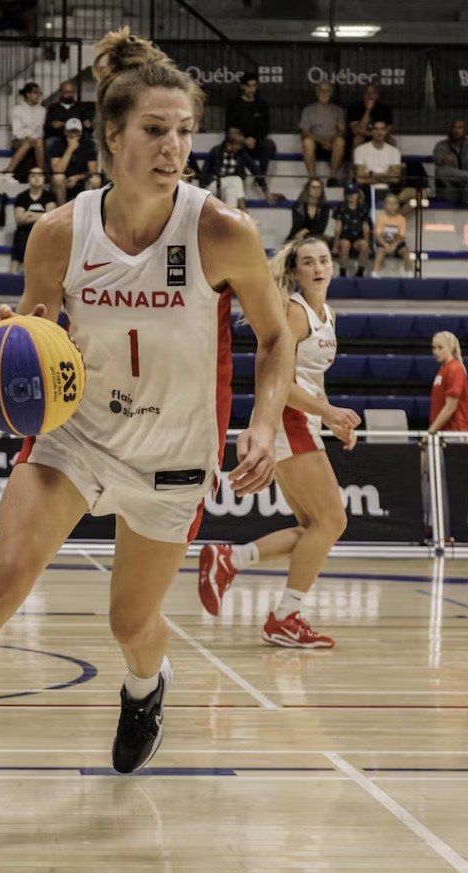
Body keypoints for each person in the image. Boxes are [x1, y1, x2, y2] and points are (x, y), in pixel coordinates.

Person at [0, 27, 294, 840]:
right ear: (112, 136)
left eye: (185, 130)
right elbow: (40, 338)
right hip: (76, 437)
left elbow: (276, 335)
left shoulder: (221, 230)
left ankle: (146, 686)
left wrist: (262, 422)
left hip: (173, 455)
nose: (174, 145)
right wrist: (11, 351)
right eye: (156, 129)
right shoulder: (58, 233)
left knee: (130, 624)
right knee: (5, 575)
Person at [197, 237, 359, 647]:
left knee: (313, 529)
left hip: (306, 421)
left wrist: (332, 417)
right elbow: (280, 383)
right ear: (296, 272)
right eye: (309, 262)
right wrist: (328, 413)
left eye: (324, 259)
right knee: (333, 521)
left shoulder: (328, 314)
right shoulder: (295, 312)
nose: (319, 267)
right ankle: (284, 616)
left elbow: (310, 382)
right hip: (288, 420)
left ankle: (229, 560)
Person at [224, 72, 276, 191]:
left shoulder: (261, 104)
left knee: (270, 146)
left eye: (254, 86)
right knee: (237, 149)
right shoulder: (234, 104)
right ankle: (246, 180)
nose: (252, 89)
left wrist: (254, 139)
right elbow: (230, 128)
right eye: (249, 86)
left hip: (256, 141)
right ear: (243, 86)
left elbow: (265, 127)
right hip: (240, 141)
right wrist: (244, 140)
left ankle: (259, 177)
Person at [354, 119, 415, 210]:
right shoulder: (360, 150)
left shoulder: (394, 151)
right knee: (356, 193)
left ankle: (399, 217)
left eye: (382, 129)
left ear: (386, 131)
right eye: (376, 129)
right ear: (371, 131)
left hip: (390, 190)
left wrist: (372, 174)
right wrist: (386, 176)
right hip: (367, 190)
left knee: (420, 195)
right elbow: (360, 179)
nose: (379, 132)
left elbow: (395, 178)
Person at [299, 81, 346, 187]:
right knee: (307, 142)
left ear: (331, 93)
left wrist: (332, 139)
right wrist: (322, 141)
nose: (324, 93)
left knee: (340, 141)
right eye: (321, 90)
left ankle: (333, 177)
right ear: (317, 92)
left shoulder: (338, 110)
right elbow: (305, 132)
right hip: (316, 143)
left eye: (327, 90)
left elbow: (342, 131)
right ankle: (313, 178)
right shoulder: (308, 110)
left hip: (332, 143)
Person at [9, 167, 55, 273]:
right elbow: (19, 220)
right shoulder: (22, 197)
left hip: (43, 231)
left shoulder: (49, 196)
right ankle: (12, 276)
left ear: (44, 178)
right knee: (20, 235)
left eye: (39, 175)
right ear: (29, 179)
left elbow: (50, 217)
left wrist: (29, 214)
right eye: (33, 176)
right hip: (24, 232)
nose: (36, 178)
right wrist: (41, 216)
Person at [428, 331, 468, 440]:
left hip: (455, 432)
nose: (436, 352)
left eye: (440, 347)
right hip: (442, 431)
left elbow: (450, 407)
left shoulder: (455, 369)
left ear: (451, 348)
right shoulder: (443, 370)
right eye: (434, 348)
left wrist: (431, 431)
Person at [2, 82, 46, 182]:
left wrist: (33, 137)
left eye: (39, 93)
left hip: (35, 139)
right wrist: (28, 136)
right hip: (19, 139)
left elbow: (40, 130)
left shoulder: (42, 110)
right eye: (35, 93)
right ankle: (10, 171)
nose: (38, 96)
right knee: (28, 142)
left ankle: (40, 172)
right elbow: (16, 131)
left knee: (38, 141)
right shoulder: (17, 109)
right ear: (28, 94)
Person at [48, 116, 98, 205]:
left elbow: (93, 171)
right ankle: (61, 211)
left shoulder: (88, 145)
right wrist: (70, 149)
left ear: (81, 132)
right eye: (71, 131)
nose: (74, 135)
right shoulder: (57, 144)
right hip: (63, 180)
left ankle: (90, 212)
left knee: (95, 180)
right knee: (58, 178)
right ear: (65, 132)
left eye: (76, 132)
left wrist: (77, 177)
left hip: (82, 179)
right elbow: (58, 170)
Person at [332, 183, 371, 277]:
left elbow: (365, 227)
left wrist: (368, 244)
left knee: (364, 245)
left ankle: (360, 272)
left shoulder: (363, 208)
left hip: (358, 237)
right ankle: (343, 273)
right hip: (344, 236)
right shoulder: (340, 207)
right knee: (345, 244)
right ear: (345, 195)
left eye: (354, 193)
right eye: (349, 193)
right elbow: (338, 227)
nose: (351, 196)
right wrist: (335, 245)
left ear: (358, 194)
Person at [372, 192, 412, 277]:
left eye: (394, 203)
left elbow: (401, 236)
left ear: (398, 205)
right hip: (383, 241)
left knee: (406, 252)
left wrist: (394, 245)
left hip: (397, 242)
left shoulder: (401, 219)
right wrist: (385, 245)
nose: (392, 206)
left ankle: (409, 275)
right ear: (385, 205)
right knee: (380, 253)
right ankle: (375, 274)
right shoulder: (381, 218)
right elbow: (378, 235)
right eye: (389, 203)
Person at [43, 79, 92, 146]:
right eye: (67, 92)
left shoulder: (80, 106)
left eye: (72, 92)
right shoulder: (53, 107)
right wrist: (52, 125)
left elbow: (88, 123)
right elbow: (47, 126)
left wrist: (88, 124)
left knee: (91, 143)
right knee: (50, 142)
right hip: (59, 137)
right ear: (61, 92)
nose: (70, 94)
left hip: (78, 137)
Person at [346, 83, 393, 148]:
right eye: (367, 93)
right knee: (357, 139)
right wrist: (368, 110)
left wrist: (378, 134)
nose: (370, 95)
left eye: (372, 93)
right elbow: (357, 130)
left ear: (377, 95)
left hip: (380, 135)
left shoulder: (385, 109)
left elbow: (389, 128)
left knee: (391, 141)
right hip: (362, 136)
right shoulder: (354, 108)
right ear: (363, 95)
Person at [285, 177, 330, 242]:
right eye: (313, 187)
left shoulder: (324, 207)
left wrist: (306, 231)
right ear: (308, 189)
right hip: (298, 236)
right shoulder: (298, 206)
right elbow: (297, 226)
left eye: (319, 187)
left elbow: (321, 227)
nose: (316, 190)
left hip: (316, 236)